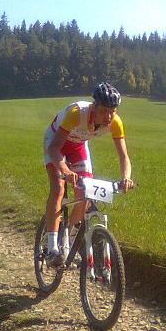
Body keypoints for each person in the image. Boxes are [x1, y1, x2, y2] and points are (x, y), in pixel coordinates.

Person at [42, 82, 134, 266]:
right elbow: (54, 149)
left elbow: (124, 156)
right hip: (55, 144)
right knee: (59, 188)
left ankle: (67, 241)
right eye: (104, 111)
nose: (108, 116)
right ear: (94, 107)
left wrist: (126, 177)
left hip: (78, 147)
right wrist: (66, 171)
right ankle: (51, 247)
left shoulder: (116, 123)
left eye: (113, 111)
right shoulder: (77, 113)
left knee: (85, 194)